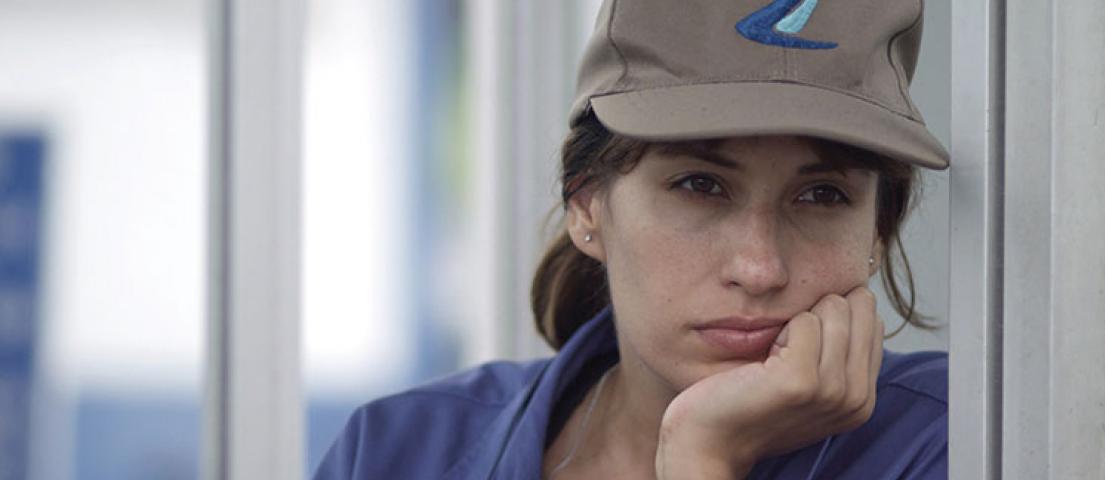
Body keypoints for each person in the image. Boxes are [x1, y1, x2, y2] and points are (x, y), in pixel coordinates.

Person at [314, 0, 949, 478]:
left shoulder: (959, 443)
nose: (759, 268)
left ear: (880, 228)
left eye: (822, 196)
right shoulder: (396, 451)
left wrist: (703, 454)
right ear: (586, 204)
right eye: (700, 185)